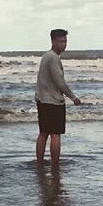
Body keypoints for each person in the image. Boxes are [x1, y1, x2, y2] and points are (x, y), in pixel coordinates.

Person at [35, 28, 81, 166]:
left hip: (42, 100)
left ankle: (40, 163)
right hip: (53, 102)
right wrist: (73, 97)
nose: (64, 44)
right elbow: (59, 82)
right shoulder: (53, 58)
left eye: (65, 41)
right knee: (55, 135)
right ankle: (55, 165)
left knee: (43, 133)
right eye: (61, 41)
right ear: (53, 41)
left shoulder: (46, 56)